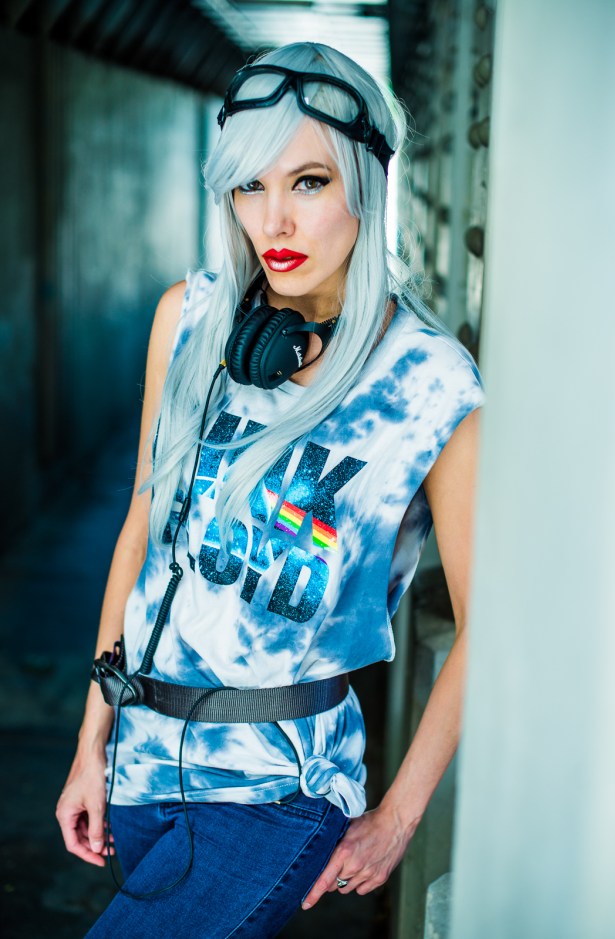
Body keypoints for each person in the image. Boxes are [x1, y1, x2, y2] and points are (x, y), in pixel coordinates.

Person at [56, 41, 484, 937]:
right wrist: (90, 741)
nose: (273, 219)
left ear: (367, 184)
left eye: (309, 182)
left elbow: (490, 623)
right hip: (143, 763)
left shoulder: (430, 385)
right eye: (250, 185)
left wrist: (399, 815)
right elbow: (142, 529)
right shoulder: (190, 320)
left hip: (279, 788)